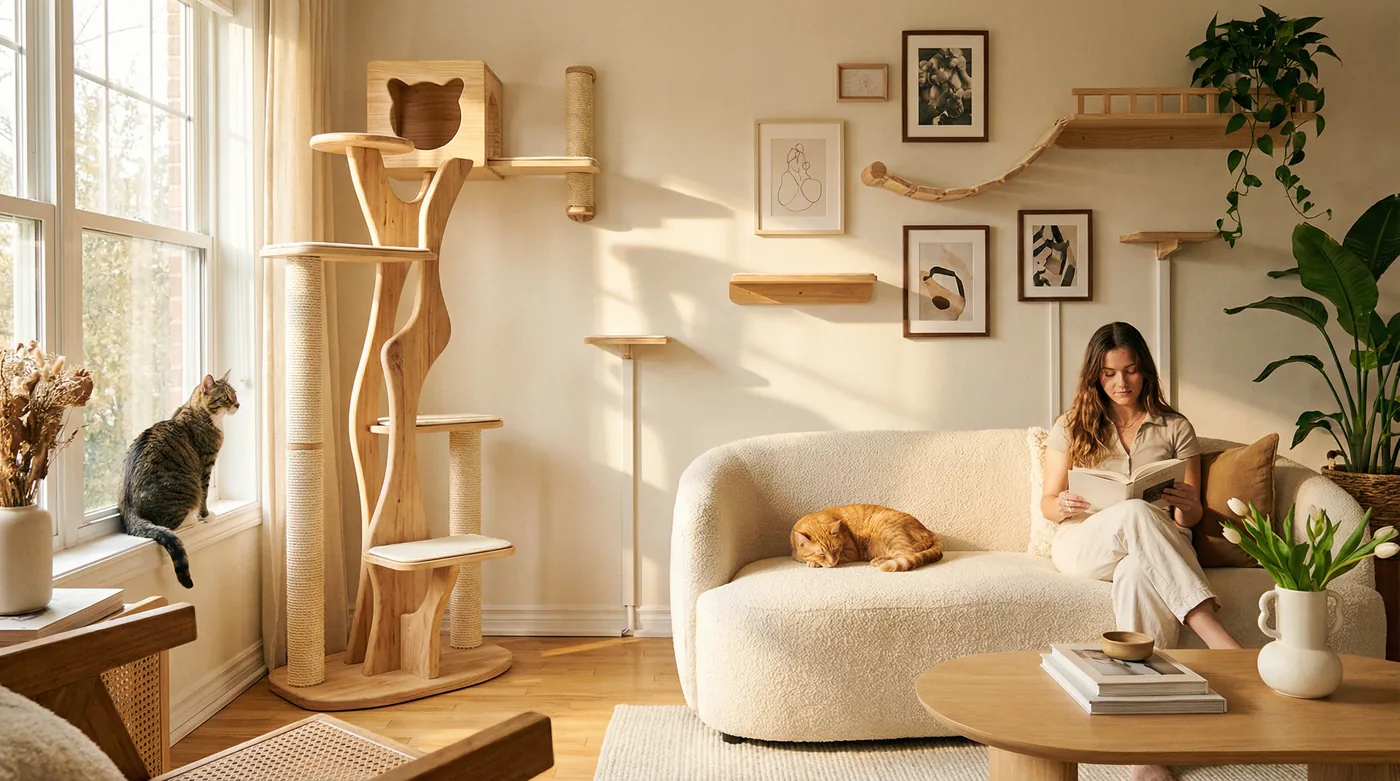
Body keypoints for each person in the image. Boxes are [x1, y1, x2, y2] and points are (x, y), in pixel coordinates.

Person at [1042, 322, 1240, 781]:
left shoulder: (1175, 427)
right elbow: (1048, 503)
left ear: (1145, 371)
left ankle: (1145, 752)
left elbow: (1185, 523)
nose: (1121, 383)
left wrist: (1191, 508)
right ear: (1096, 376)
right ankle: (1212, 629)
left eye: (1130, 371)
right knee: (1131, 512)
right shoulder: (1071, 425)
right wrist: (1063, 502)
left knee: (1135, 571)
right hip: (1085, 543)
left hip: (1153, 548)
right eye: (1109, 374)